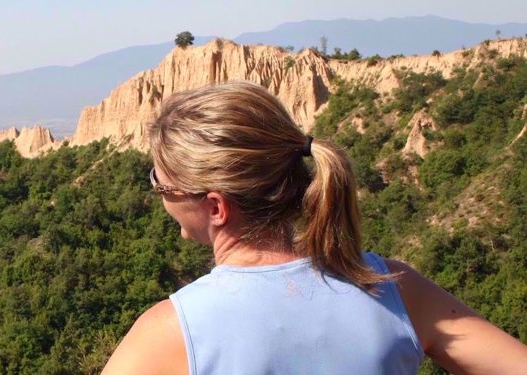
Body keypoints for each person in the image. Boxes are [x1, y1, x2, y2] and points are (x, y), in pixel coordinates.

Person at [100, 82, 527, 375]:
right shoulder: (393, 288)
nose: (158, 194)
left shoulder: (175, 329)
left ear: (215, 207)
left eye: (162, 185)